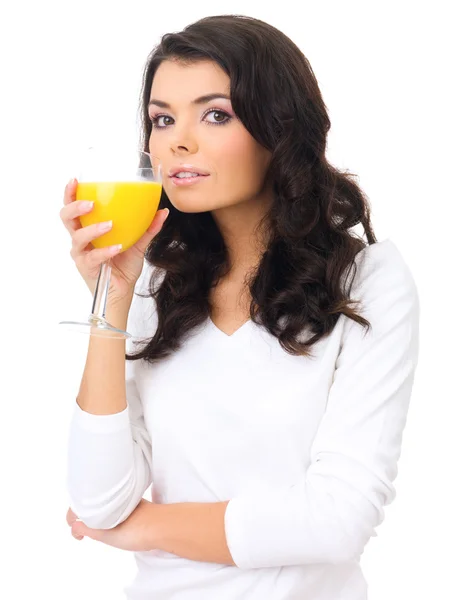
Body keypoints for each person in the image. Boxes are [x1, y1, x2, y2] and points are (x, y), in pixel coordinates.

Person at [60, 14, 420, 600]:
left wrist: (144, 526)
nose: (177, 140)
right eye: (161, 118)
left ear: (278, 127)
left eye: (215, 114)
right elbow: (99, 498)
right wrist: (113, 297)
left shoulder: (367, 280)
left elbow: (338, 520)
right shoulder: (156, 284)